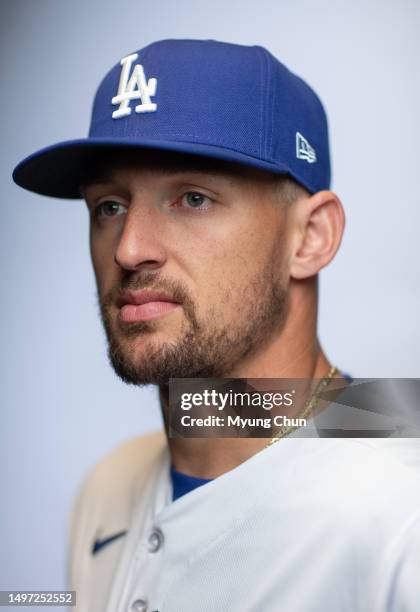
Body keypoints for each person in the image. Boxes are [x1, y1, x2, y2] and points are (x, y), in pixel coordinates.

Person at [13, 39, 420, 612]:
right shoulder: (109, 486)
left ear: (311, 238)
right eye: (109, 206)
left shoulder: (403, 507)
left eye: (193, 199)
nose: (129, 249)